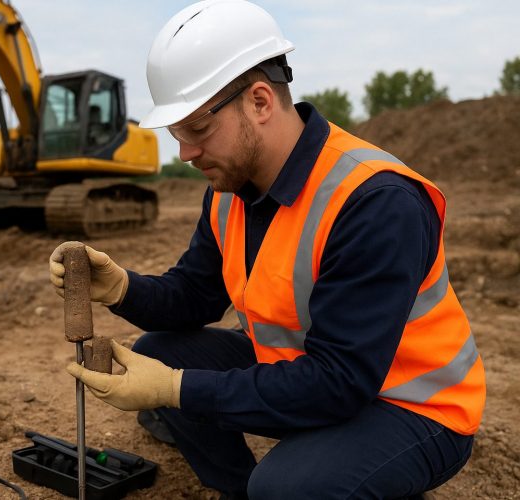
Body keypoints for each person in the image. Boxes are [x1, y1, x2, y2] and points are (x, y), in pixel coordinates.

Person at [49, 1, 486, 498]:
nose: (184, 153)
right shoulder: (229, 191)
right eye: (176, 133)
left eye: (196, 129)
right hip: (308, 373)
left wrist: (175, 389)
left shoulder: (375, 202)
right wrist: (123, 288)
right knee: (163, 351)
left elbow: (339, 382)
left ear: (259, 102)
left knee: (287, 487)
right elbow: (195, 296)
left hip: (411, 406)